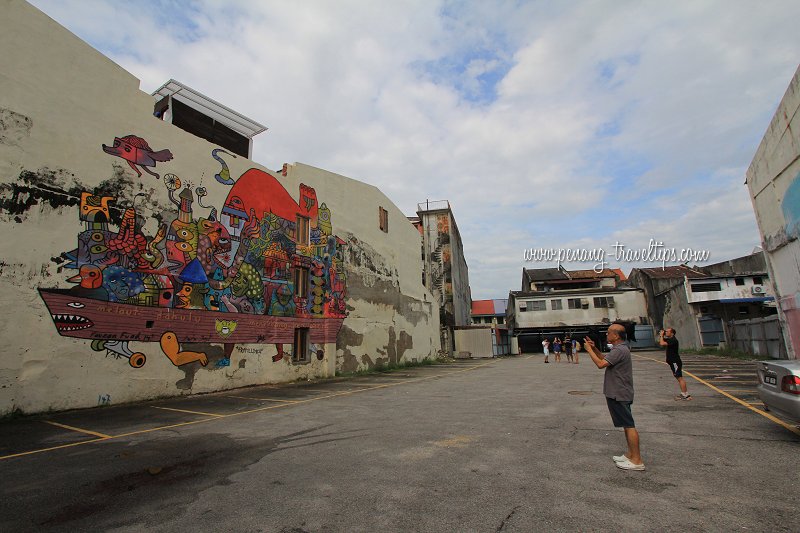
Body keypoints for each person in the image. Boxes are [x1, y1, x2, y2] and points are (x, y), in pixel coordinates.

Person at [584, 324, 645, 471]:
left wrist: (588, 350)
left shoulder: (620, 349)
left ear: (616, 336)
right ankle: (630, 454)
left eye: (609, 332)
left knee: (629, 425)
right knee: (625, 424)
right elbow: (605, 359)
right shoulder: (619, 349)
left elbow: (600, 364)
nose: (606, 334)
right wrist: (594, 349)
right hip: (618, 391)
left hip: (620, 392)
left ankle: (637, 460)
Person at [659, 328, 691, 400]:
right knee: (678, 377)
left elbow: (662, 343)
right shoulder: (670, 339)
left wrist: (661, 335)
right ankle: (685, 394)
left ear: (672, 333)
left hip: (675, 362)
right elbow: (662, 341)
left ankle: (685, 394)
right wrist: (662, 335)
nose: (666, 332)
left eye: (667, 332)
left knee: (679, 377)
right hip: (673, 362)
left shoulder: (673, 340)